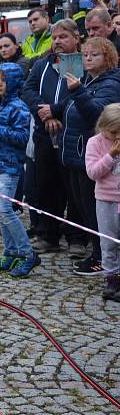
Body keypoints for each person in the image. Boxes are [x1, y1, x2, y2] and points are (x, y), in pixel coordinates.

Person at [22, 19, 88, 256]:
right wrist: (43, 112)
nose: (58, 41)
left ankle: (77, 239)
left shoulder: (83, 64)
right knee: (46, 187)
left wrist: (57, 110)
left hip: (72, 137)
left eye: (63, 37)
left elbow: (84, 93)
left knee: (73, 190)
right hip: (44, 134)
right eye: (55, 37)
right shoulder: (43, 64)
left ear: (76, 37)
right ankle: (47, 235)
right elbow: (27, 90)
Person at [60, 36, 120, 274]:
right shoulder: (89, 80)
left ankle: (101, 258)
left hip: (93, 152)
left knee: (96, 213)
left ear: (107, 57)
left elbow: (97, 116)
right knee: (84, 208)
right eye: (85, 55)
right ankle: (99, 254)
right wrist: (52, 110)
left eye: (93, 55)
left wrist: (77, 91)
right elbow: (70, 106)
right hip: (77, 152)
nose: (87, 58)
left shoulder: (111, 83)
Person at [0, 63, 37, 277]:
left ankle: (28, 253)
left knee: (5, 209)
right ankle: (10, 251)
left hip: (9, 166)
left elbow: (22, 138)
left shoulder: (20, 108)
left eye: (3, 80)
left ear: (12, 82)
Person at [85, 103, 120, 301]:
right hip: (106, 200)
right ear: (103, 126)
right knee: (108, 242)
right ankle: (111, 278)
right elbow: (93, 172)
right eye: (113, 131)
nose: (116, 136)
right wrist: (111, 155)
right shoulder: (95, 143)